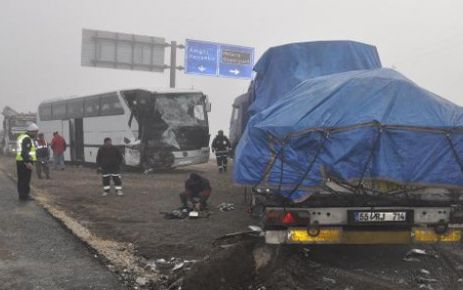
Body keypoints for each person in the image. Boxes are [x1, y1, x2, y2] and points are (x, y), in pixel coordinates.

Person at [16, 123, 39, 201]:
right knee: (25, 179)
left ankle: (21, 195)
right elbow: (25, 151)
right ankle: (25, 195)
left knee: (21, 179)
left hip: (19, 161)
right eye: (35, 132)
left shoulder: (21, 136)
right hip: (24, 161)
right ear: (31, 131)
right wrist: (28, 162)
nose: (36, 134)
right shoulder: (27, 139)